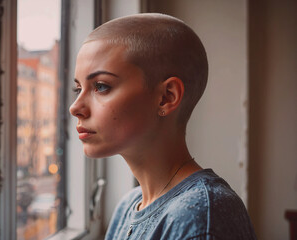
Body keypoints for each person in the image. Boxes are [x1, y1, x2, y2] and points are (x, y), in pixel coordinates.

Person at [69, 13, 256, 240]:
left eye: (101, 86)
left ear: (166, 97)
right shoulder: (127, 207)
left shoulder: (199, 217)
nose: (75, 107)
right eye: (78, 89)